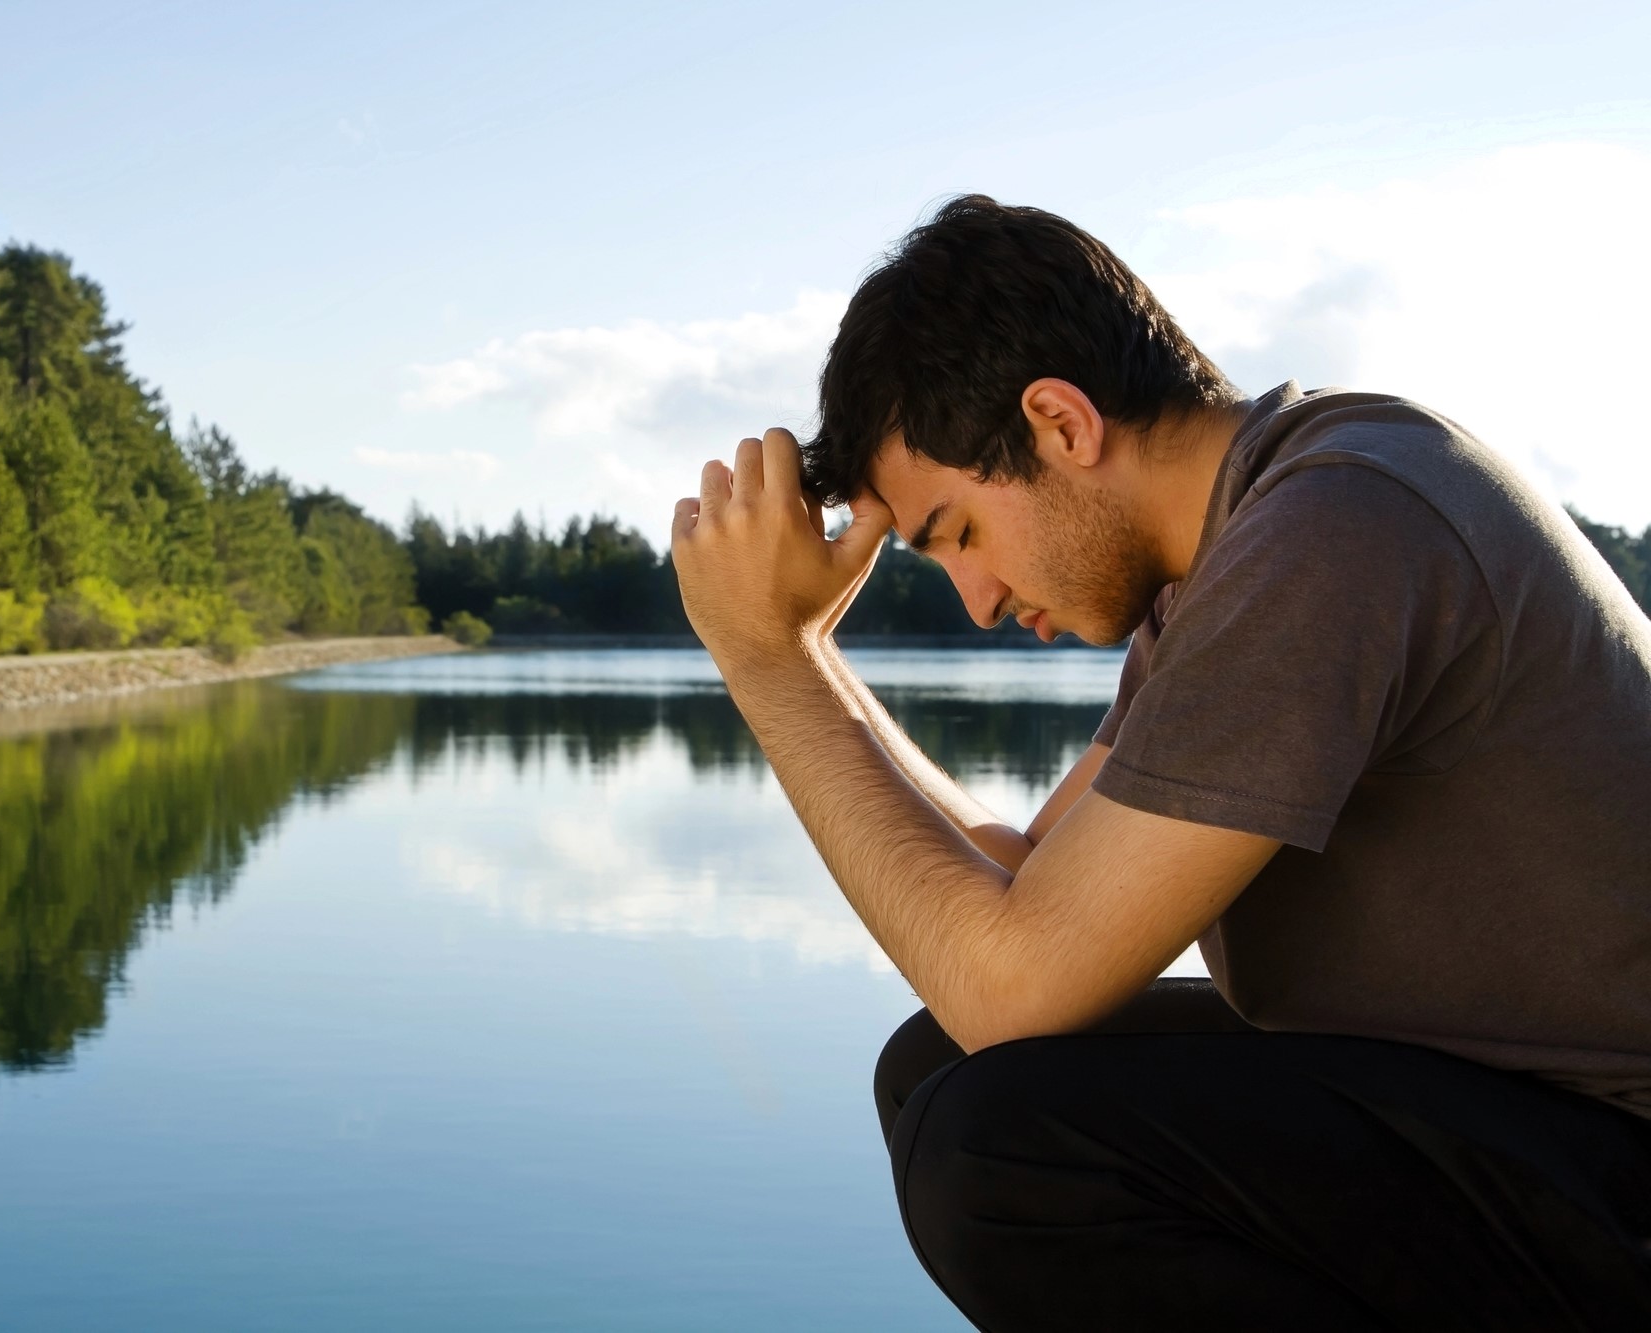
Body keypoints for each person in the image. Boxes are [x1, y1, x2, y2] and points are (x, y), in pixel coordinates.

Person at [667, 195, 1651, 1330]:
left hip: (1614, 1152)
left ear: (1058, 423)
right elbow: (1017, 886)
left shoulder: (1338, 526)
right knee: (939, 1065)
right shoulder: (1235, 556)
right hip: (1521, 1118)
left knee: (1005, 1149)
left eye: (957, 535)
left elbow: (1013, 984)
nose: (976, 601)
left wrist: (768, 669)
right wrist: (799, 656)